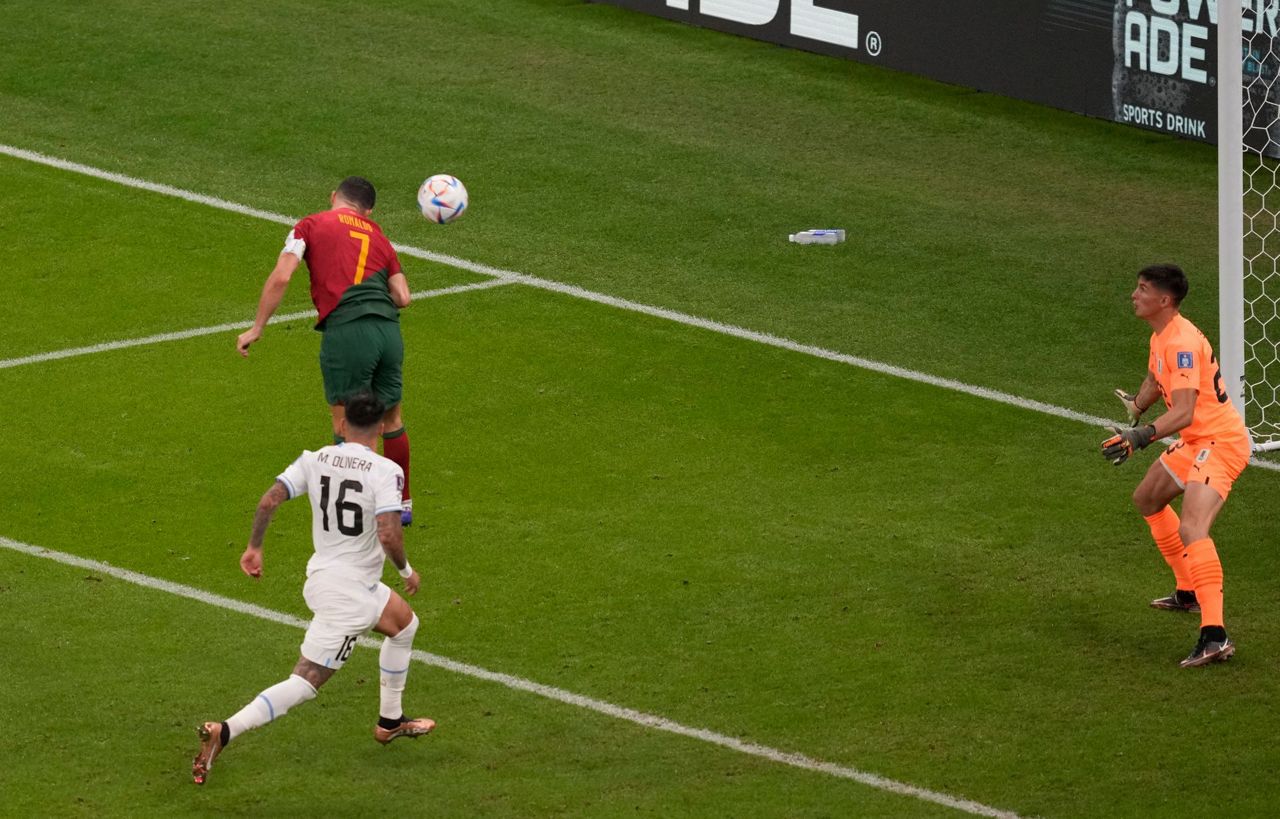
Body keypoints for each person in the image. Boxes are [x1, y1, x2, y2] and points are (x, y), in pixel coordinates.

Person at [192, 392, 434, 785]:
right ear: (380, 428)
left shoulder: (314, 458)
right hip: (349, 598)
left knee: (404, 625)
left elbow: (270, 501)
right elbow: (389, 534)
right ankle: (226, 729)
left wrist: (254, 547)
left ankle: (390, 720)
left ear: (342, 424)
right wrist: (406, 570)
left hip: (327, 578)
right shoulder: (387, 471)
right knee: (304, 681)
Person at [236, 176, 416, 526]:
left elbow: (282, 276)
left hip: (349, 331)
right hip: (389, 334)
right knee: (391, 419)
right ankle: (402, 502)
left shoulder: (311, 224)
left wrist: (257, 327)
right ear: (369, 211)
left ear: (334, 197)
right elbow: (403, 297)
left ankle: (361, 507)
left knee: (346, 424)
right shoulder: (379, 236)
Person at [1102, 263, 1251, 668]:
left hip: (1219, 443)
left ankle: (1215, 634)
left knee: (1192, 527)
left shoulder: (1182, 342)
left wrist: (1140, 436)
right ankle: (1188, 590)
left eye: (1142, 289)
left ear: (1164, 300)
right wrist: (1137, 405)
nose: (1134, 295)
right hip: (1196, 441)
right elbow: (1155, 379)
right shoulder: (1162, 336)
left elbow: (1184, 411)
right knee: (1147, 498)